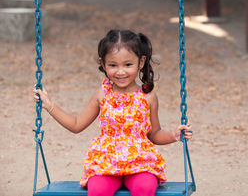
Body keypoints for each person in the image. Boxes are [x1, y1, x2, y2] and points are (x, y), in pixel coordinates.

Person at [33, 29, 193, 196]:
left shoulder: (148, 97)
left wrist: (174, 135)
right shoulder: (102, 94)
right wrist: (49, 106)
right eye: (113, 65)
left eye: (128, 64)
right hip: (106, 162)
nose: (120, 71)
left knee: (144, 189)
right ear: (103, 64)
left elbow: (154, 134)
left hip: (140, 163)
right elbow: (76, 124)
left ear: (141, 62)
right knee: (98, 191)